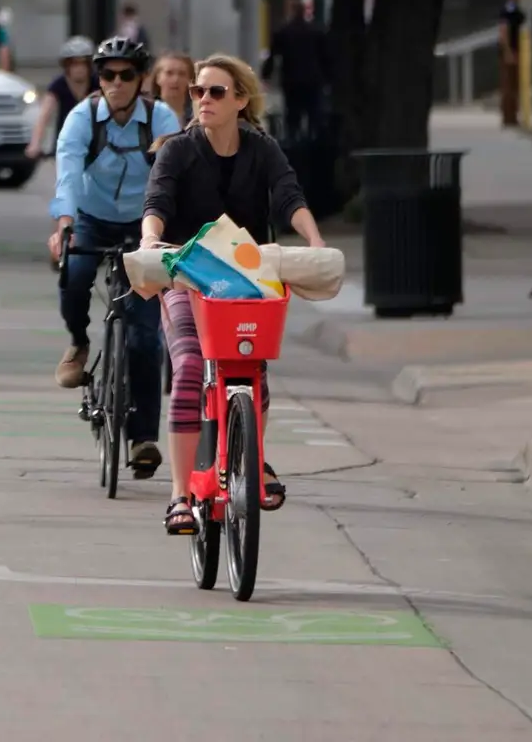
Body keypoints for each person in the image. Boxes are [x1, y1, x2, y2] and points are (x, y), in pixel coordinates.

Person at [140, 54, 326, 536]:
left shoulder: (262, 149)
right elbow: (157, 201)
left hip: (247, 277)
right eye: (199, 91)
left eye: (215, 92)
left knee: (252, 365)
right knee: (186, 368)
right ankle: (180, 494)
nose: (202, 99)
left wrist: (315, 242)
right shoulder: (178, 150)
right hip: (187, 272)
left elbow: (289, 196)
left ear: (241, 101)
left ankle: (254, 460)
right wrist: (149, 241)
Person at [47, 36, 182, 480]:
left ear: (142, 80)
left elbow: (174, 176)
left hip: (145, 225)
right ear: (99, 79)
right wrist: (64, 222)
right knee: (75, 272)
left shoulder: (160, 118)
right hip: (91, 218)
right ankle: (79, 341)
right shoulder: (82, 118)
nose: (117, 83)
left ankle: (143, 437)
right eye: (108, 75)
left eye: (127, 75)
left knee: (145, 335)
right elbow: (67, 170)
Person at [262, 0, 330, 141]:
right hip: (313, 80)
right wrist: (327, 78)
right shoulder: (315, 31)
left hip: (292, 81)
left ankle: (294, 144)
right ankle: (313, 143)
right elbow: (325, 57)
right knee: (314, 115)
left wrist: (266, 75)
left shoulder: (283, 32)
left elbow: (273, 56)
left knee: (293, 116)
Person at [28, 36, 94, 159]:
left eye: (82, 64)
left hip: (95, 146)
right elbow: (44, 116)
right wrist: (35, 144)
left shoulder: (99, 84)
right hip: (66, 146)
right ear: (66, 66)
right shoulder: (59, 85)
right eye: (74, 64)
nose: (78, 69)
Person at [499, 0, 526, 128]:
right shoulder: (508, 10)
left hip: (518, 51)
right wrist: (508, 51)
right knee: (508, 85)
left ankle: (513, 116)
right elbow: (503, 31)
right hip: (510, 51)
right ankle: (508, 117)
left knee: (515, 85)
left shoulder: (517, 10)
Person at [148, 50, 193, 123]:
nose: (175, 79)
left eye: (182, 74)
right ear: (158, 78)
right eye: (169, 73)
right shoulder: (146, 114)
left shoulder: (197, 118)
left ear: (190, 80)